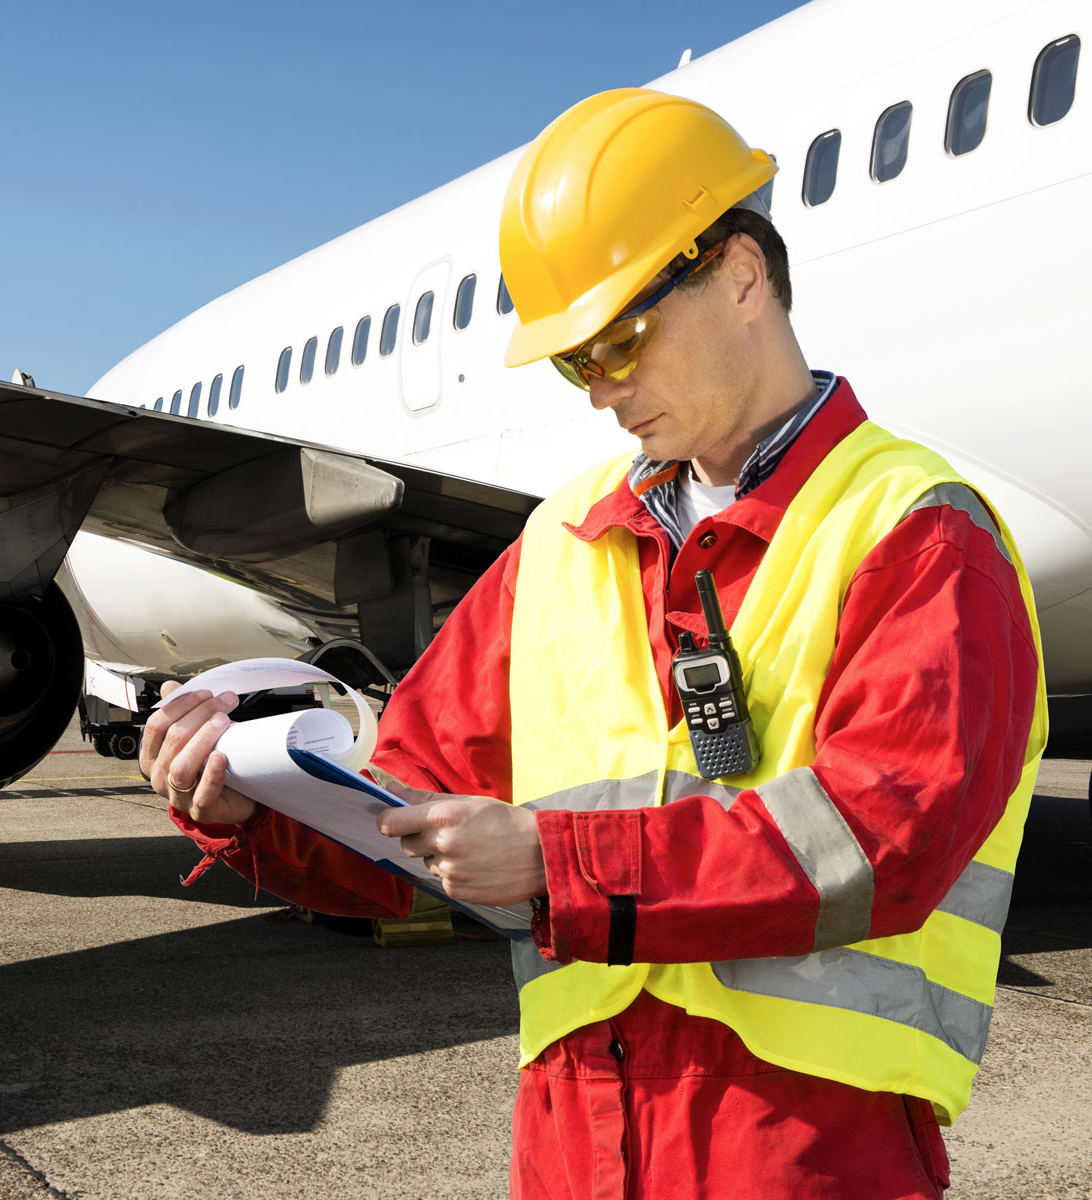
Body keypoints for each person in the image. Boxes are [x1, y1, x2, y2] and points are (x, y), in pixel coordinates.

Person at [142, 89, 1045, 1199]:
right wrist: (253, 810)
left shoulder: (915, 528)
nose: (604, 388)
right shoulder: (562, 542)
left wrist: (557, 862)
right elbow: (407, 816)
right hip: (576, 1139)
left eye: (620, 336)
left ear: (743, 274)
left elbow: (883, 840)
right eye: (575, 361)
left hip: (804, 1149)